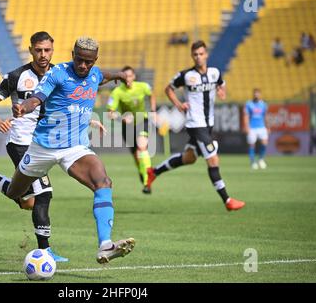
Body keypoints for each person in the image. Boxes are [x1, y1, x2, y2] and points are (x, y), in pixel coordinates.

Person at [0, 37, 135, 264]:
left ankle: (105, 245)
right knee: (17, 195)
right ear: (72, 55)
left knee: (103, 182)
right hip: (43, 148)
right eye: (79, 60)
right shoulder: (57, 73)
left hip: (75, 148)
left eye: (88, 62)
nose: (83, 66)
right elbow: (37, 98)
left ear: (94, 61)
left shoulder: (95, 73)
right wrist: (23, 107)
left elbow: (102, 76)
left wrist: (118, 75)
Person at [0, 32, 68, 262]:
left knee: (27, 201)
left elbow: (73, 102)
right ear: (30, 50)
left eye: (47, 50)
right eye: (38, 50)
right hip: (21, 143)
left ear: (53, 49)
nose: (43, 55)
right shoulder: (17, 76)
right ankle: (45, 252)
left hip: (44, 144)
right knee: (44, 194)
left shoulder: (60, 74)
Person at [146, 40, 245, 211]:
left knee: (189, 158)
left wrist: (222, 92)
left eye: (201, 54)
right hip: (195, 124)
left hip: (208, 124)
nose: (198, 57)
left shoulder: (215, 73)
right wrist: (178, 104)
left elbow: (222, 84)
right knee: (213, 159)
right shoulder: (186, 75)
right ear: (192, 56)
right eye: (195, 55)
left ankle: (153, 172)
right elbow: (168, 89)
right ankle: (227, 200)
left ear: (206, 54)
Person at [107, 66, 156, 193]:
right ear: (121, 78)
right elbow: (110, 113)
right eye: (125, 76)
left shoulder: (143, 86)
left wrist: (153, 110)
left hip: (141, 120)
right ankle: (143, 172)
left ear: (134, 76)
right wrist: (121, 117)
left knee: (142, 147)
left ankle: (148, 181)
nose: (127, 79)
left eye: (129, 76)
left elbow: (152, 94)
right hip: (127, 126)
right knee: (136, 156)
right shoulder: (117, 92)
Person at [243, 88, 270, 170]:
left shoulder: (263, 105)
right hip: (252, 128)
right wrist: (246, 127)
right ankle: (253, 162)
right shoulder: (249, 104)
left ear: (260, 95)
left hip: (261, 127)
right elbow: (246, 116)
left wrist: (268, 126)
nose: (256, 95)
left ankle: (261, 159)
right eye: (255, 94)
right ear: (253, 94)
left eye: (258, 94)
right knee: (252, 145)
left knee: (264, 143)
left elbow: (265, 116)